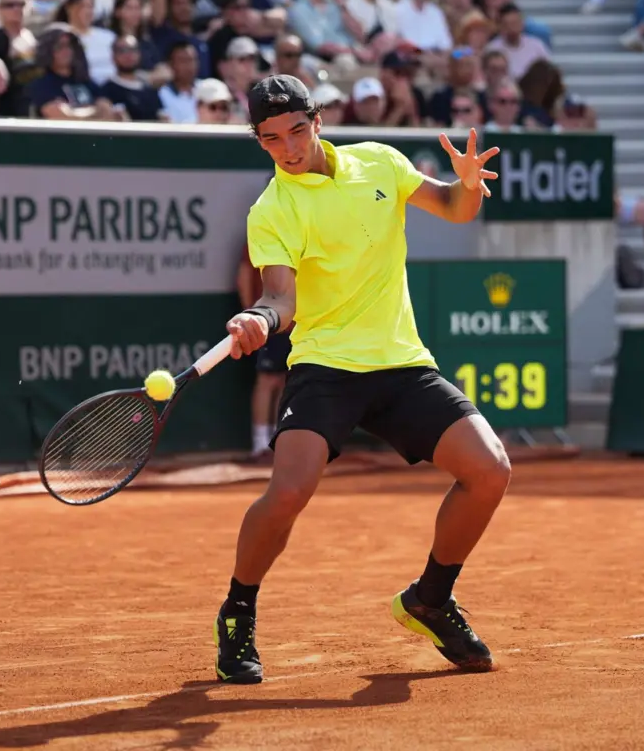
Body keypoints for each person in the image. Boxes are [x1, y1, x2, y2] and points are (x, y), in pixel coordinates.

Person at [214, 74, 512, 684]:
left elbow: (454, 208)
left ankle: (430, 598)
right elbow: (280, 299)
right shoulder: (272, 209)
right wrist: (257, 318)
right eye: (271, 140)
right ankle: (237, 613)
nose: (289, 148)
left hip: (401, 361)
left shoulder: (380, 163)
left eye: (297, 130)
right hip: (326, 365)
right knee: (290, 492)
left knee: (490, 470)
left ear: (317, 121)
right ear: (261, 141)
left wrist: (470, 186)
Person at [236, 237, 291, 463]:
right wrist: (254, 315)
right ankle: (260, 446)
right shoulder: (261, 234)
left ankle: (277, 443)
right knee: (267, 381)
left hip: (300, 325)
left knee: (287, 383)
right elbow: (244, 276)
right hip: (270, 323)